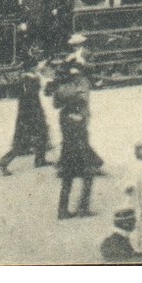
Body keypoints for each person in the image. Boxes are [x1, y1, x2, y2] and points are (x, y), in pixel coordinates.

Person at [0, 61, 52, 174]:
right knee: (23, 141)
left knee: (42, 135)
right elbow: (31, 96)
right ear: (31, 67)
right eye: (36, 65)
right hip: (30, 114)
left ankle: (40, 159)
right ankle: (3, 162)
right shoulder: (29, 80)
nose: (38, 67)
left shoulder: (27, 78)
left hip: (30, 113)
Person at [56, 90, 100, 219]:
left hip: (67, 154)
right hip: (79, 154)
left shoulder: (63, 115)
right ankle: (83, 208)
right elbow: (81, 137)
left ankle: (62, 210)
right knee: (88, 178)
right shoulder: (77, 118)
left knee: (67, 182)